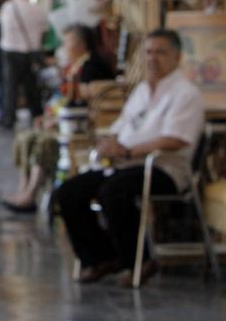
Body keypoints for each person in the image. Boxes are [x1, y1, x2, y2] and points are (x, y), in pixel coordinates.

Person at [54, 30, 204, 286]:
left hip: (162, 167)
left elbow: (175, 139)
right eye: (148, 52)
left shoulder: (185, 94)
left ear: (177, 57)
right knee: (69, 191)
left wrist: (127, 151)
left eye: (160, 52)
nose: (152, 58)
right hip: (125, 164)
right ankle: (102, 257)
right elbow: (122, 126)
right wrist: (109, 145)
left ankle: (140, 259)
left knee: (113, 192)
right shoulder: (143, 90)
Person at [3, 24, 115, 212]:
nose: (63, 47)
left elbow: (85, 104)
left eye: (67, 42)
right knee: (26, 137)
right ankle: (24, 189)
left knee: (43, 142)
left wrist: (56, 120)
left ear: (81, 44)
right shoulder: (75, 66)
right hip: (64, 118)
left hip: (79, 123)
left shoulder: (92, 67)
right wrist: (49, 116)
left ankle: (31, 193)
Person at [0, 0, 50, 129]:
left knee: (10, 86)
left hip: (10, 51)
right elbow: (45, 31)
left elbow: (3, 26)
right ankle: (37, 115)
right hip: (30, 52)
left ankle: (9, 118)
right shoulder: (37, 8)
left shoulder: (8, 7)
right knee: (32, 86)